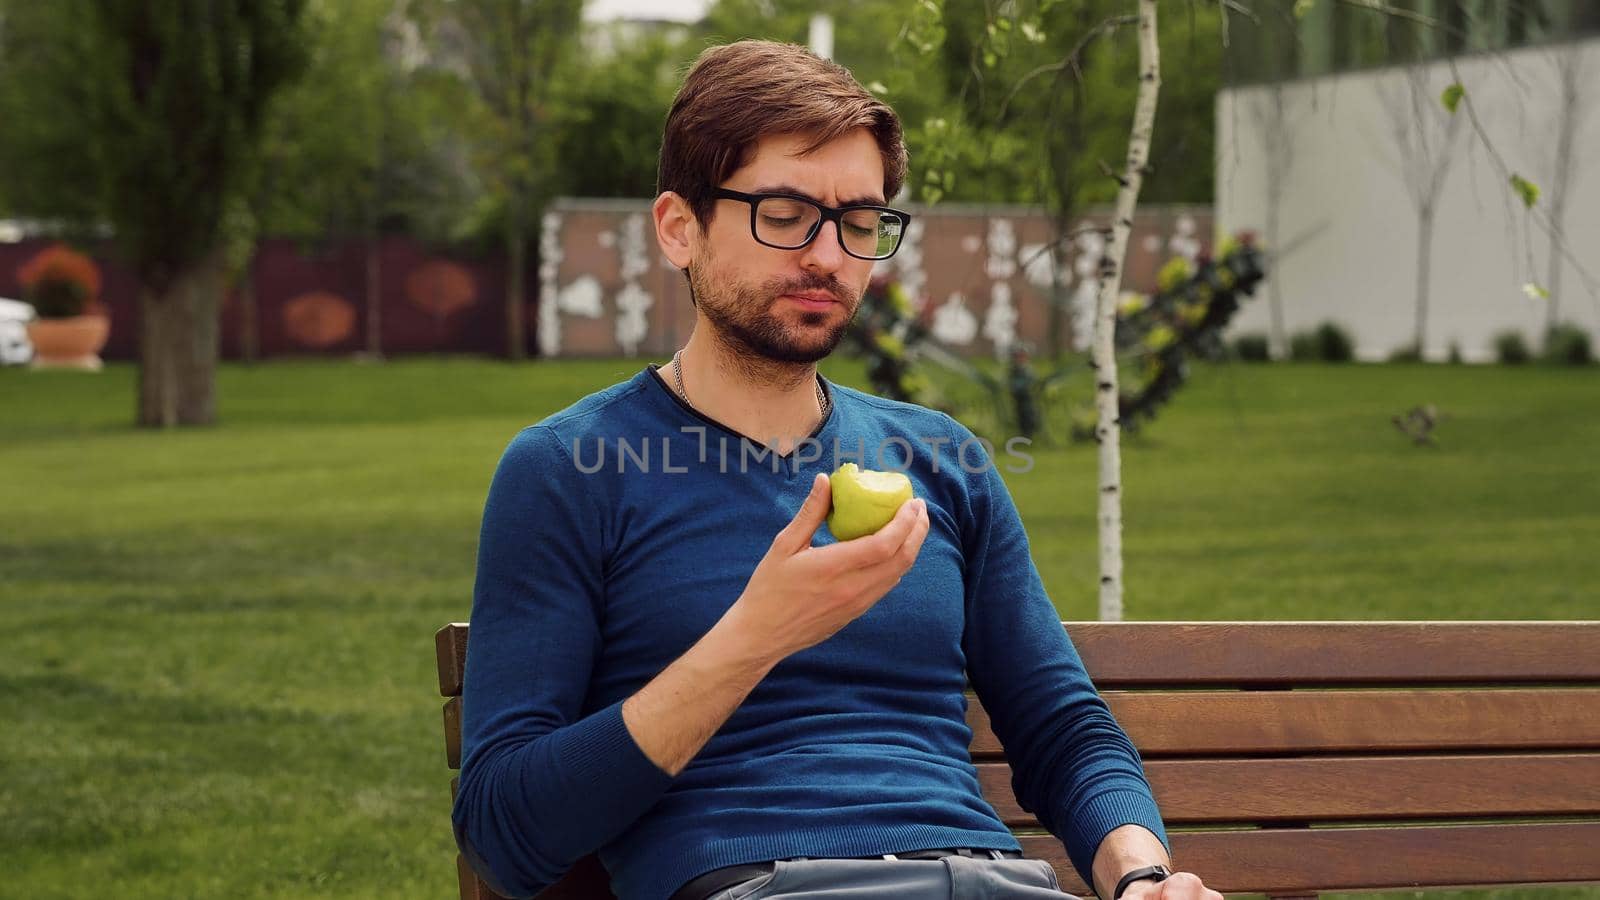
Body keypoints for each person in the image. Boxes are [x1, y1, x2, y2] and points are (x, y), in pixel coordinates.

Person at [453, 39, 1222, 900]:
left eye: (860, 222)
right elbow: (504, 831)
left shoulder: (944, 461)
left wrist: (1141, 875)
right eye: (784, 213)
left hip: (994, 879)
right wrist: (757, 634)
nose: (827, 255)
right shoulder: (571, 470)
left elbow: (1062, 730)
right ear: (679, 227)